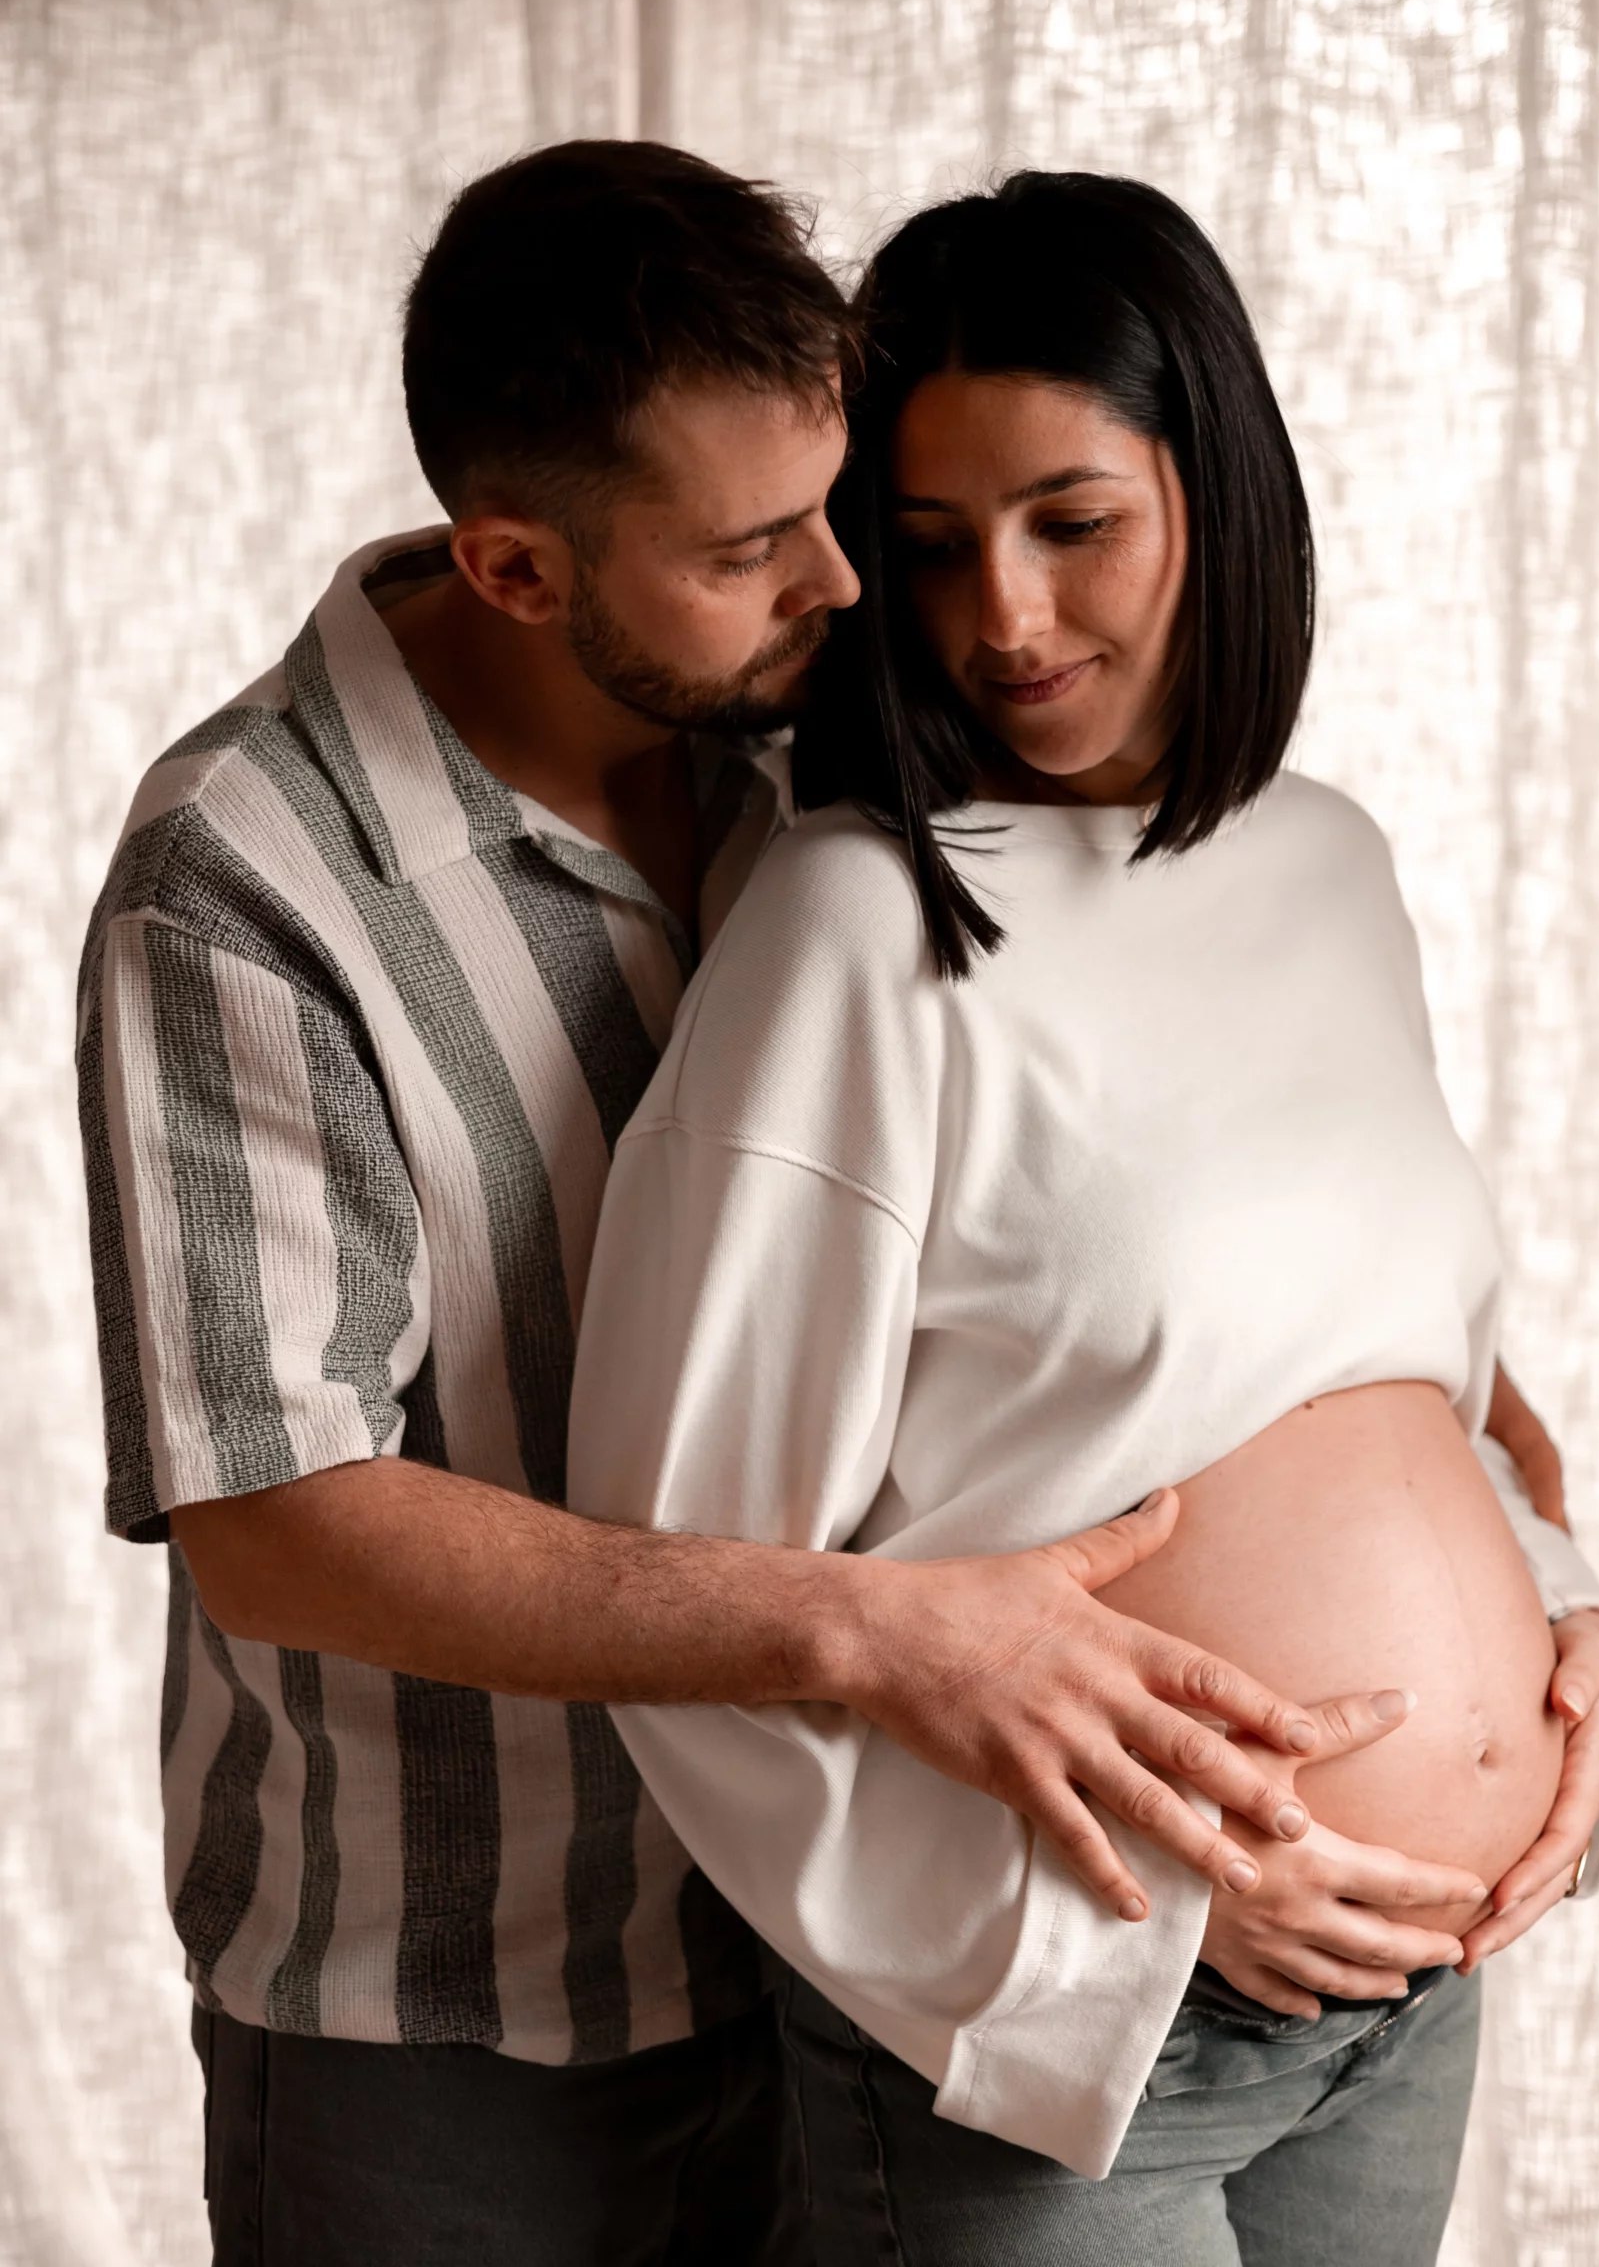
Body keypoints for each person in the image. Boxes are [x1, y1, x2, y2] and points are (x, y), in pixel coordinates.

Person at [74, 143, 1434, 2267]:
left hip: (846, 1952)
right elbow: (275, 1518)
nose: (851, 581)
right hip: (465, 1995)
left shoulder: (808, 742)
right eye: (757, 544)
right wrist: (875, 1630)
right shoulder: (248, 884)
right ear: (520, 570)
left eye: (835, 507)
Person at [563, 172, 1599, 2262]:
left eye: (1075, 521)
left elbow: (1415, 1385)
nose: (1007, 620)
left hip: (1409, 1999)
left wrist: (1561, 1629)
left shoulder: (1327, 863)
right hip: (1089, 2035)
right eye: (936, 544)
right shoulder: (858, 927)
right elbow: (692, 1587)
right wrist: (1104, 1938)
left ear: (1212, 490)